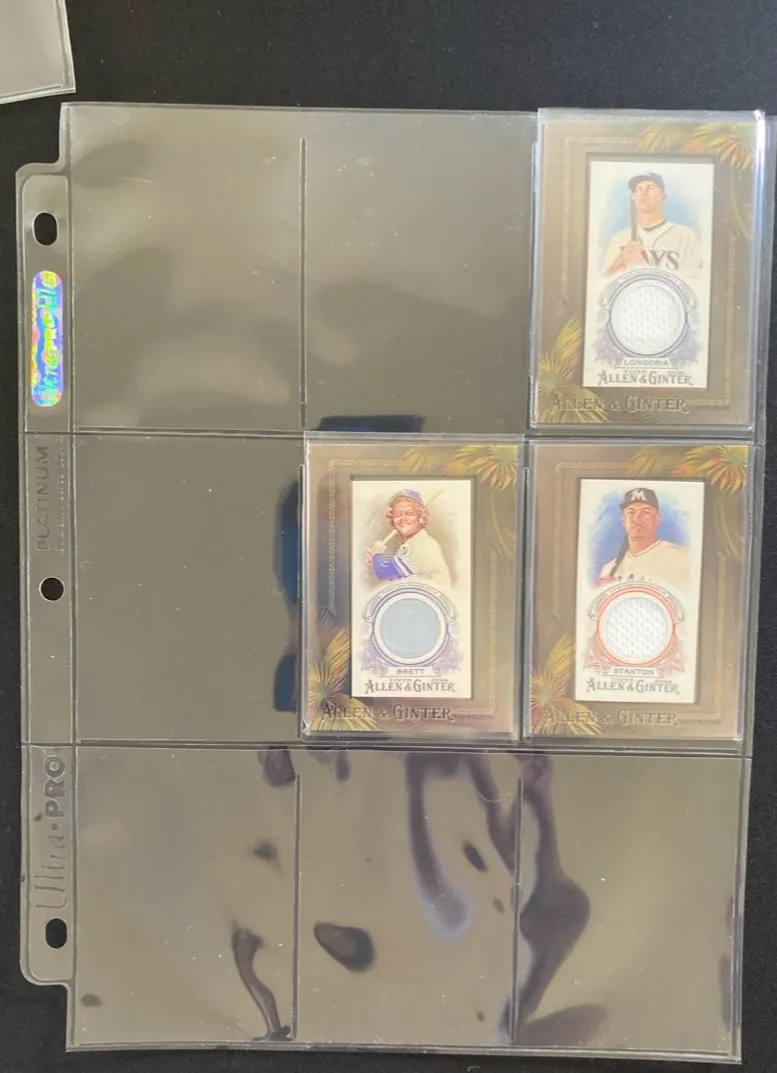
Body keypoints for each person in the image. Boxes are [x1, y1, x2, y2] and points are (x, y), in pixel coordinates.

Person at [603, 172, 703, 276]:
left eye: (650, 188)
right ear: (634, 197)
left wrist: (644, 267)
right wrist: (620, 262)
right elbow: (603, 281)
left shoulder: (685, 236)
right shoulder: (619, 238)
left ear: (663, 196)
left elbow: (695, 280)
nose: (643, 193)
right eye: (639, 189)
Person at [599, 487, 690, 592]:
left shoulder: (682, 557)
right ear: (624, 520)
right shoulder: (609, 570)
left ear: (657, 518)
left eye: (645, 512)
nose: (637, 518)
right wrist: (604, 593)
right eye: (631, 512)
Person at [365, 489, 451, 587]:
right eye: (397, 514)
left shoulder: (422, 545)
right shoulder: (412, 543)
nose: (403, 518)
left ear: (421, 518)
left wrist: (377, 555)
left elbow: (386, 572)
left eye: (409, 513)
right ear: (392, 519)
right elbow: (393, 578)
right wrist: (375, 561)